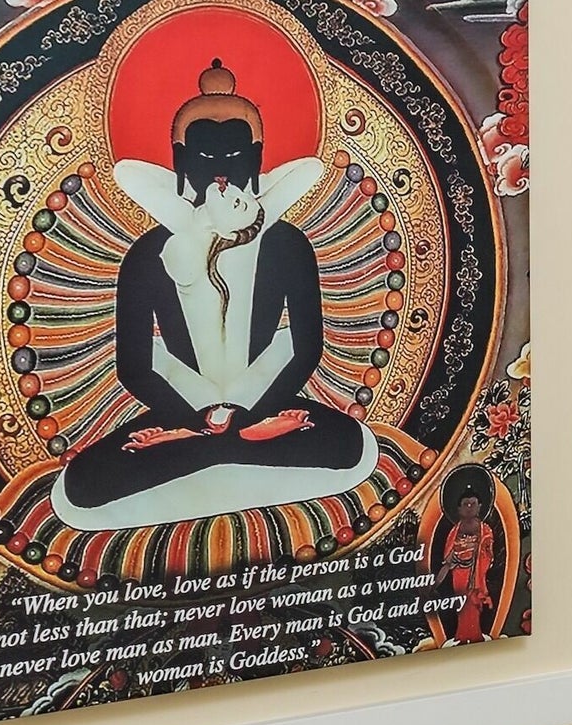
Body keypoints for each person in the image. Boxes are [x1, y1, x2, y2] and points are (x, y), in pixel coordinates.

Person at [55, 58, 374, 529]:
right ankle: (220, 451)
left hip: (264, 404)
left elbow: (306, 348)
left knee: (344, 442)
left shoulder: (287, 244)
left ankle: (216, 454)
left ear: (259, 155)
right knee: (87, 480)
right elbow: (135, 365)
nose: (220, 170)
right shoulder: (148, 254)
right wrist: (197, 419)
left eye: (234, 153)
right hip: (182, 411)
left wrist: (255, 413)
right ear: (179, 159)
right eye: (205, 154)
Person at [433, 476, 502, 642]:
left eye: (473, 504)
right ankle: (462, 635)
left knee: (474, 605)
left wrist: (479, 556)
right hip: (459, 574)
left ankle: (475, 634)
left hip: (477, 573)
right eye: (466, 504)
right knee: (461, 605)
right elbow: (448, 561)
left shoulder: (485, 530)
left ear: (480, 507)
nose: (469, 508)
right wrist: (435, 584)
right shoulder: (454, 531)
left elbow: (488, 553)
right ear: (459, 509)